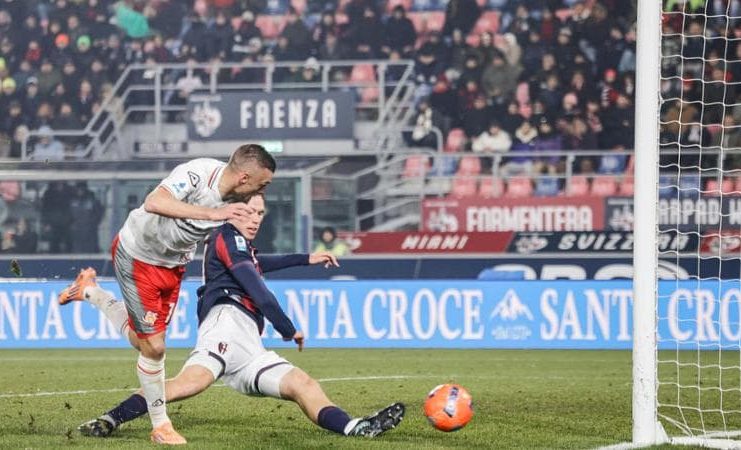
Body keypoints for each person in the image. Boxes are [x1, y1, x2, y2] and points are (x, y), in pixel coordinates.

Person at [75, 195, 405, 439]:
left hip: (249, 346)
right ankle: (110, 419)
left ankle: (354, 427)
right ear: (232, 210)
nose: (255, 218)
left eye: (260, 213)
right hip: (225, 326)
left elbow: (261, 263)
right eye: (248, 211)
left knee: (302, 384)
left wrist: (307, 258)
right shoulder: (225, 236)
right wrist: (288, 328)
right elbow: (256, 287)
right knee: (189, 384)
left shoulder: (239, 246)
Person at [57, 144, 276, 445]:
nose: (262, 191)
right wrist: (214, 213)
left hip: (173, 266)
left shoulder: (237, 201)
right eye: (262, 184)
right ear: (244, 178)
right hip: (137, 256)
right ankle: (161, 425)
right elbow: (154, 201)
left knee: (143, 341)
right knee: (155, 348)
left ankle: (90, 292)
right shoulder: (199, 173)